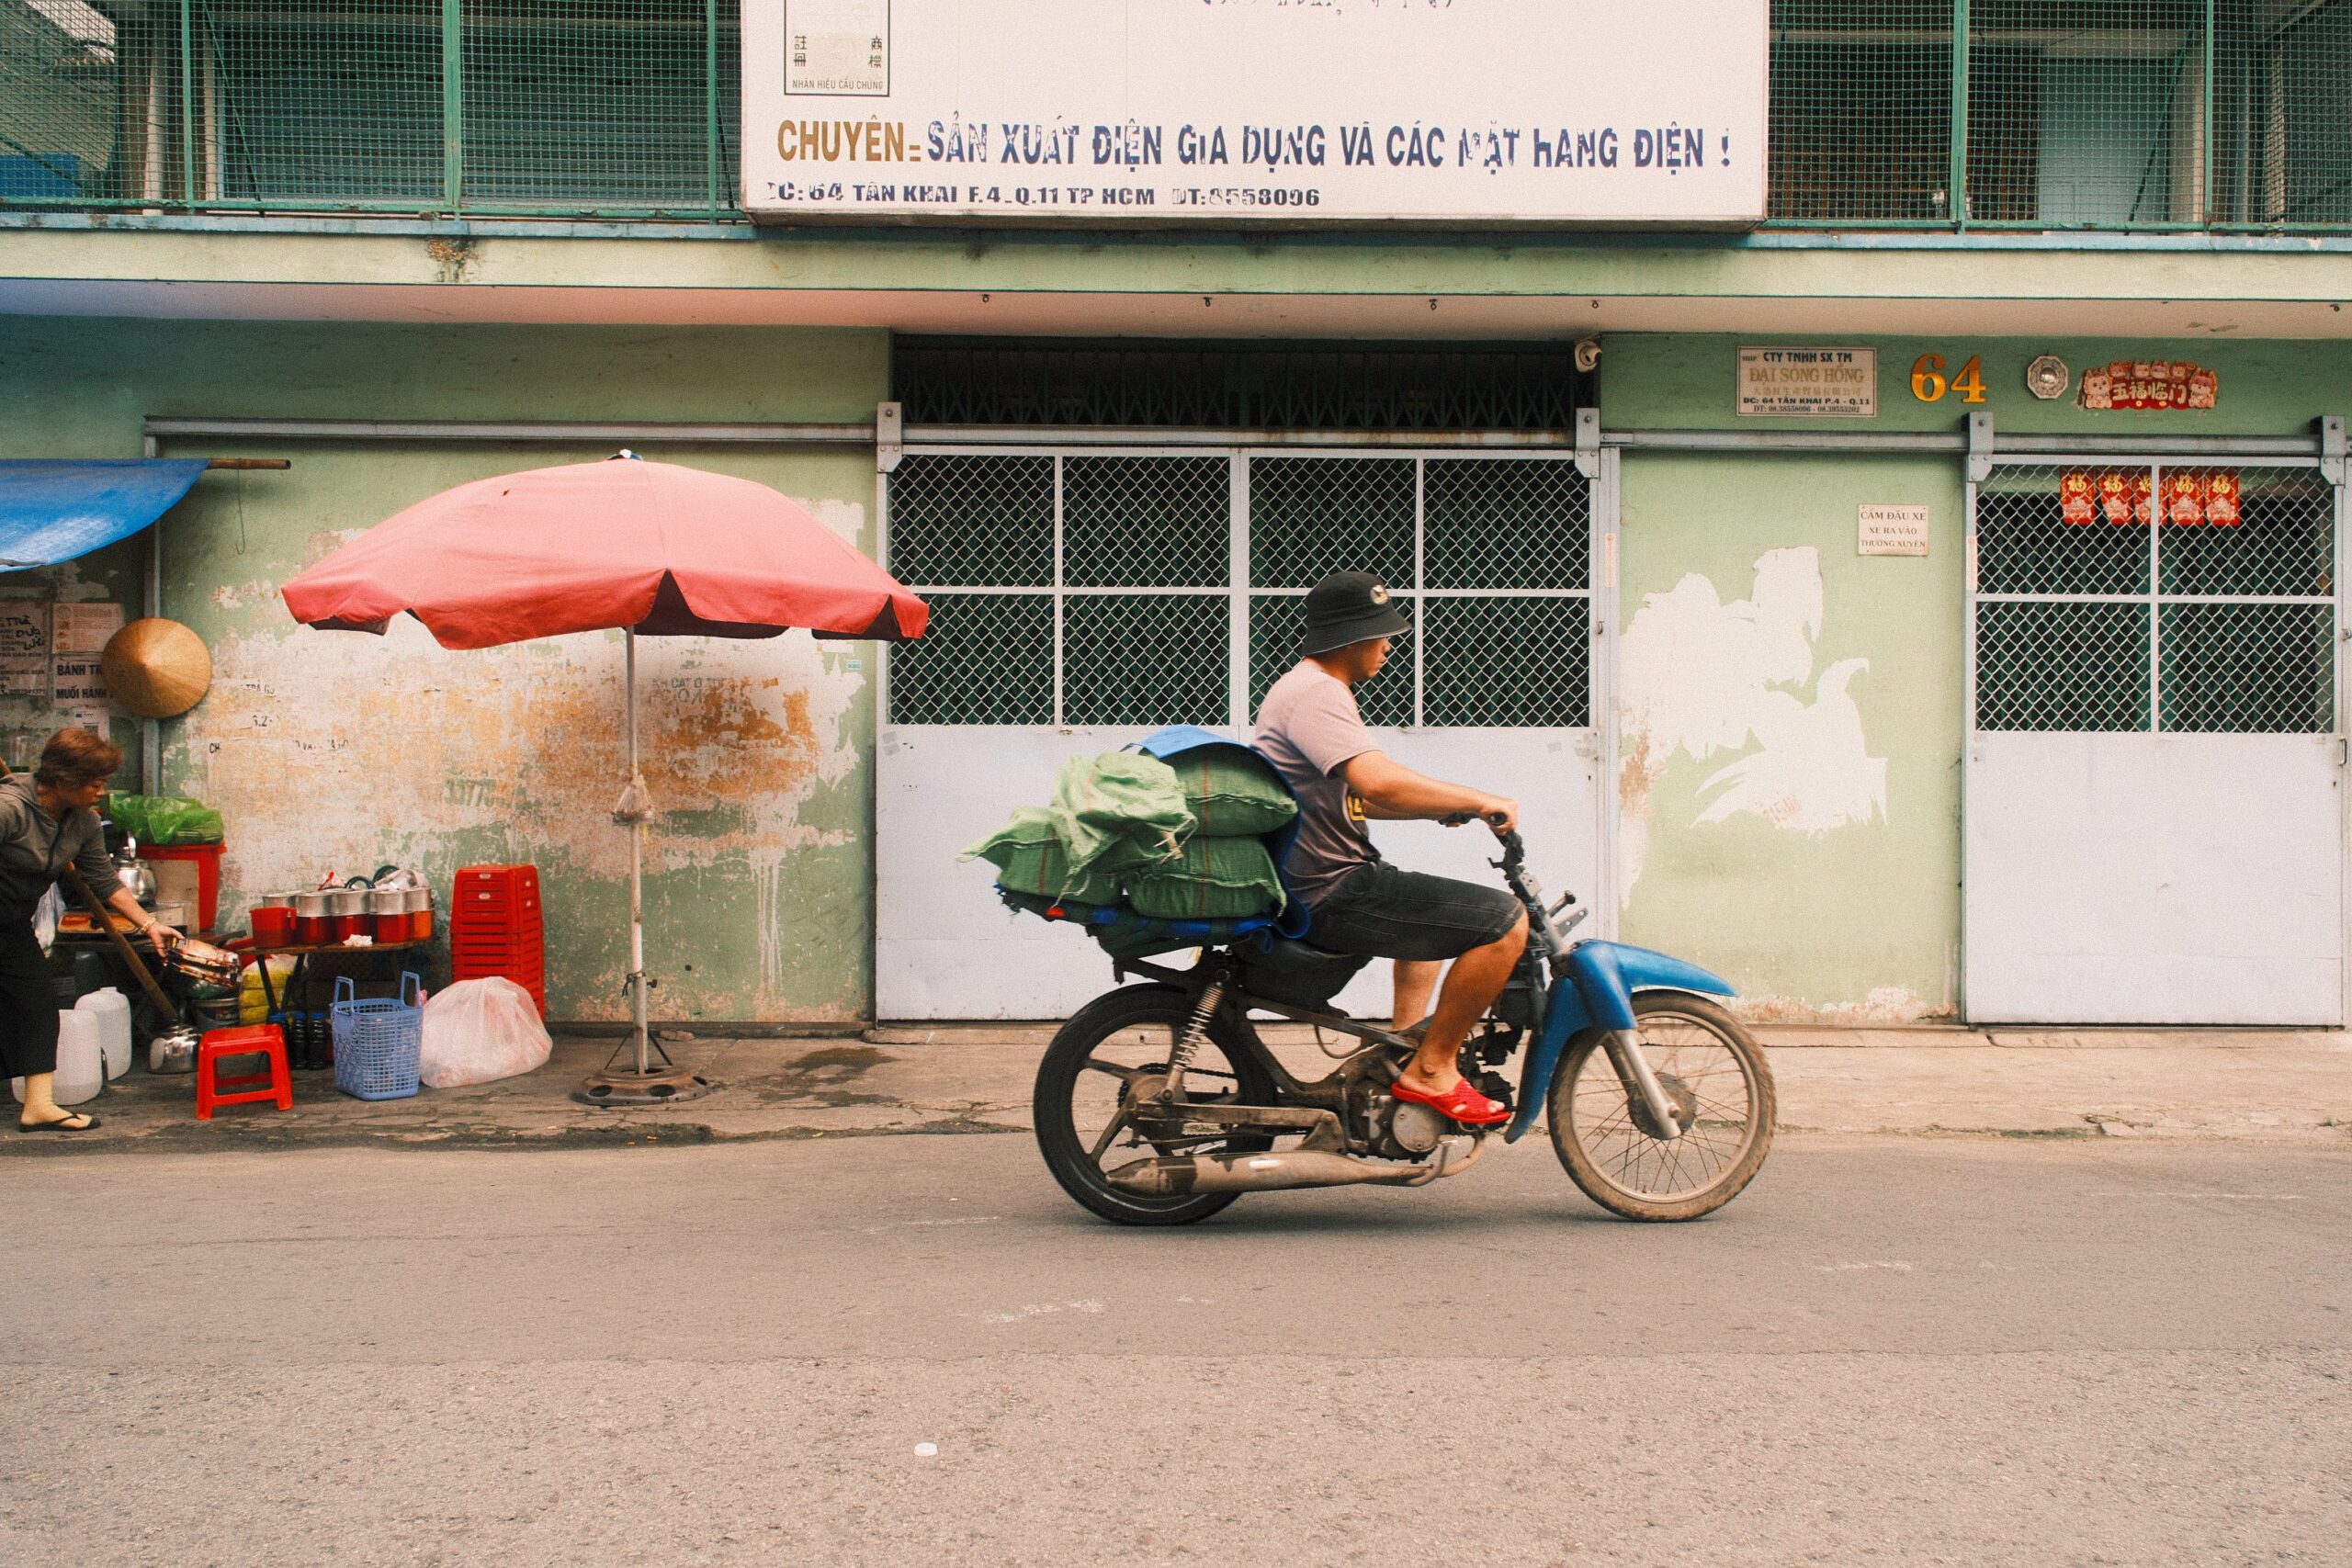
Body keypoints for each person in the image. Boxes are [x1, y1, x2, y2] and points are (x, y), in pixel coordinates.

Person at [1253, 570, 1530, 1126]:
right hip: (1331, 890)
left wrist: (1437, 807)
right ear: (1351, 637)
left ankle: (1400, 1053)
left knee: (1428, 924)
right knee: (1506, 923)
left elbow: (1355, 797)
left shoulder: (1310, 690)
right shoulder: (1317, 694)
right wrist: (1479, 799)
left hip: (1324, 880)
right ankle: (1430, 1071)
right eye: (1380, 635)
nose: (1386, 646)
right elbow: (1376, 781)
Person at [2, 728, 178, 1133]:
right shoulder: (9, 808)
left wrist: (150, 925)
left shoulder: (83, 823)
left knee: (38, 1004)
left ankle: (39, 1105)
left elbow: (105, 880)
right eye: (94, 783)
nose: (101, 791)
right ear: (64, 780)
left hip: (12, 924)